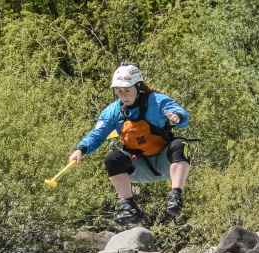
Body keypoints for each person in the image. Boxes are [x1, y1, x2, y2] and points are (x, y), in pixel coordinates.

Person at [69, 64, 191, 226]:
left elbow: (181, 115)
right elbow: (97, 134)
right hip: (138, 166)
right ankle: (129, 206)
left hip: (165, 163)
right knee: (112, 158)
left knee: (180, 144)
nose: (123, 95)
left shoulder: (157, 100)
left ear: (138, 87)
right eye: (119, 91)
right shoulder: (113, 111)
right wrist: (81, 149)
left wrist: (177, 116)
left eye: (127, 90)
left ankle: (176, 195)